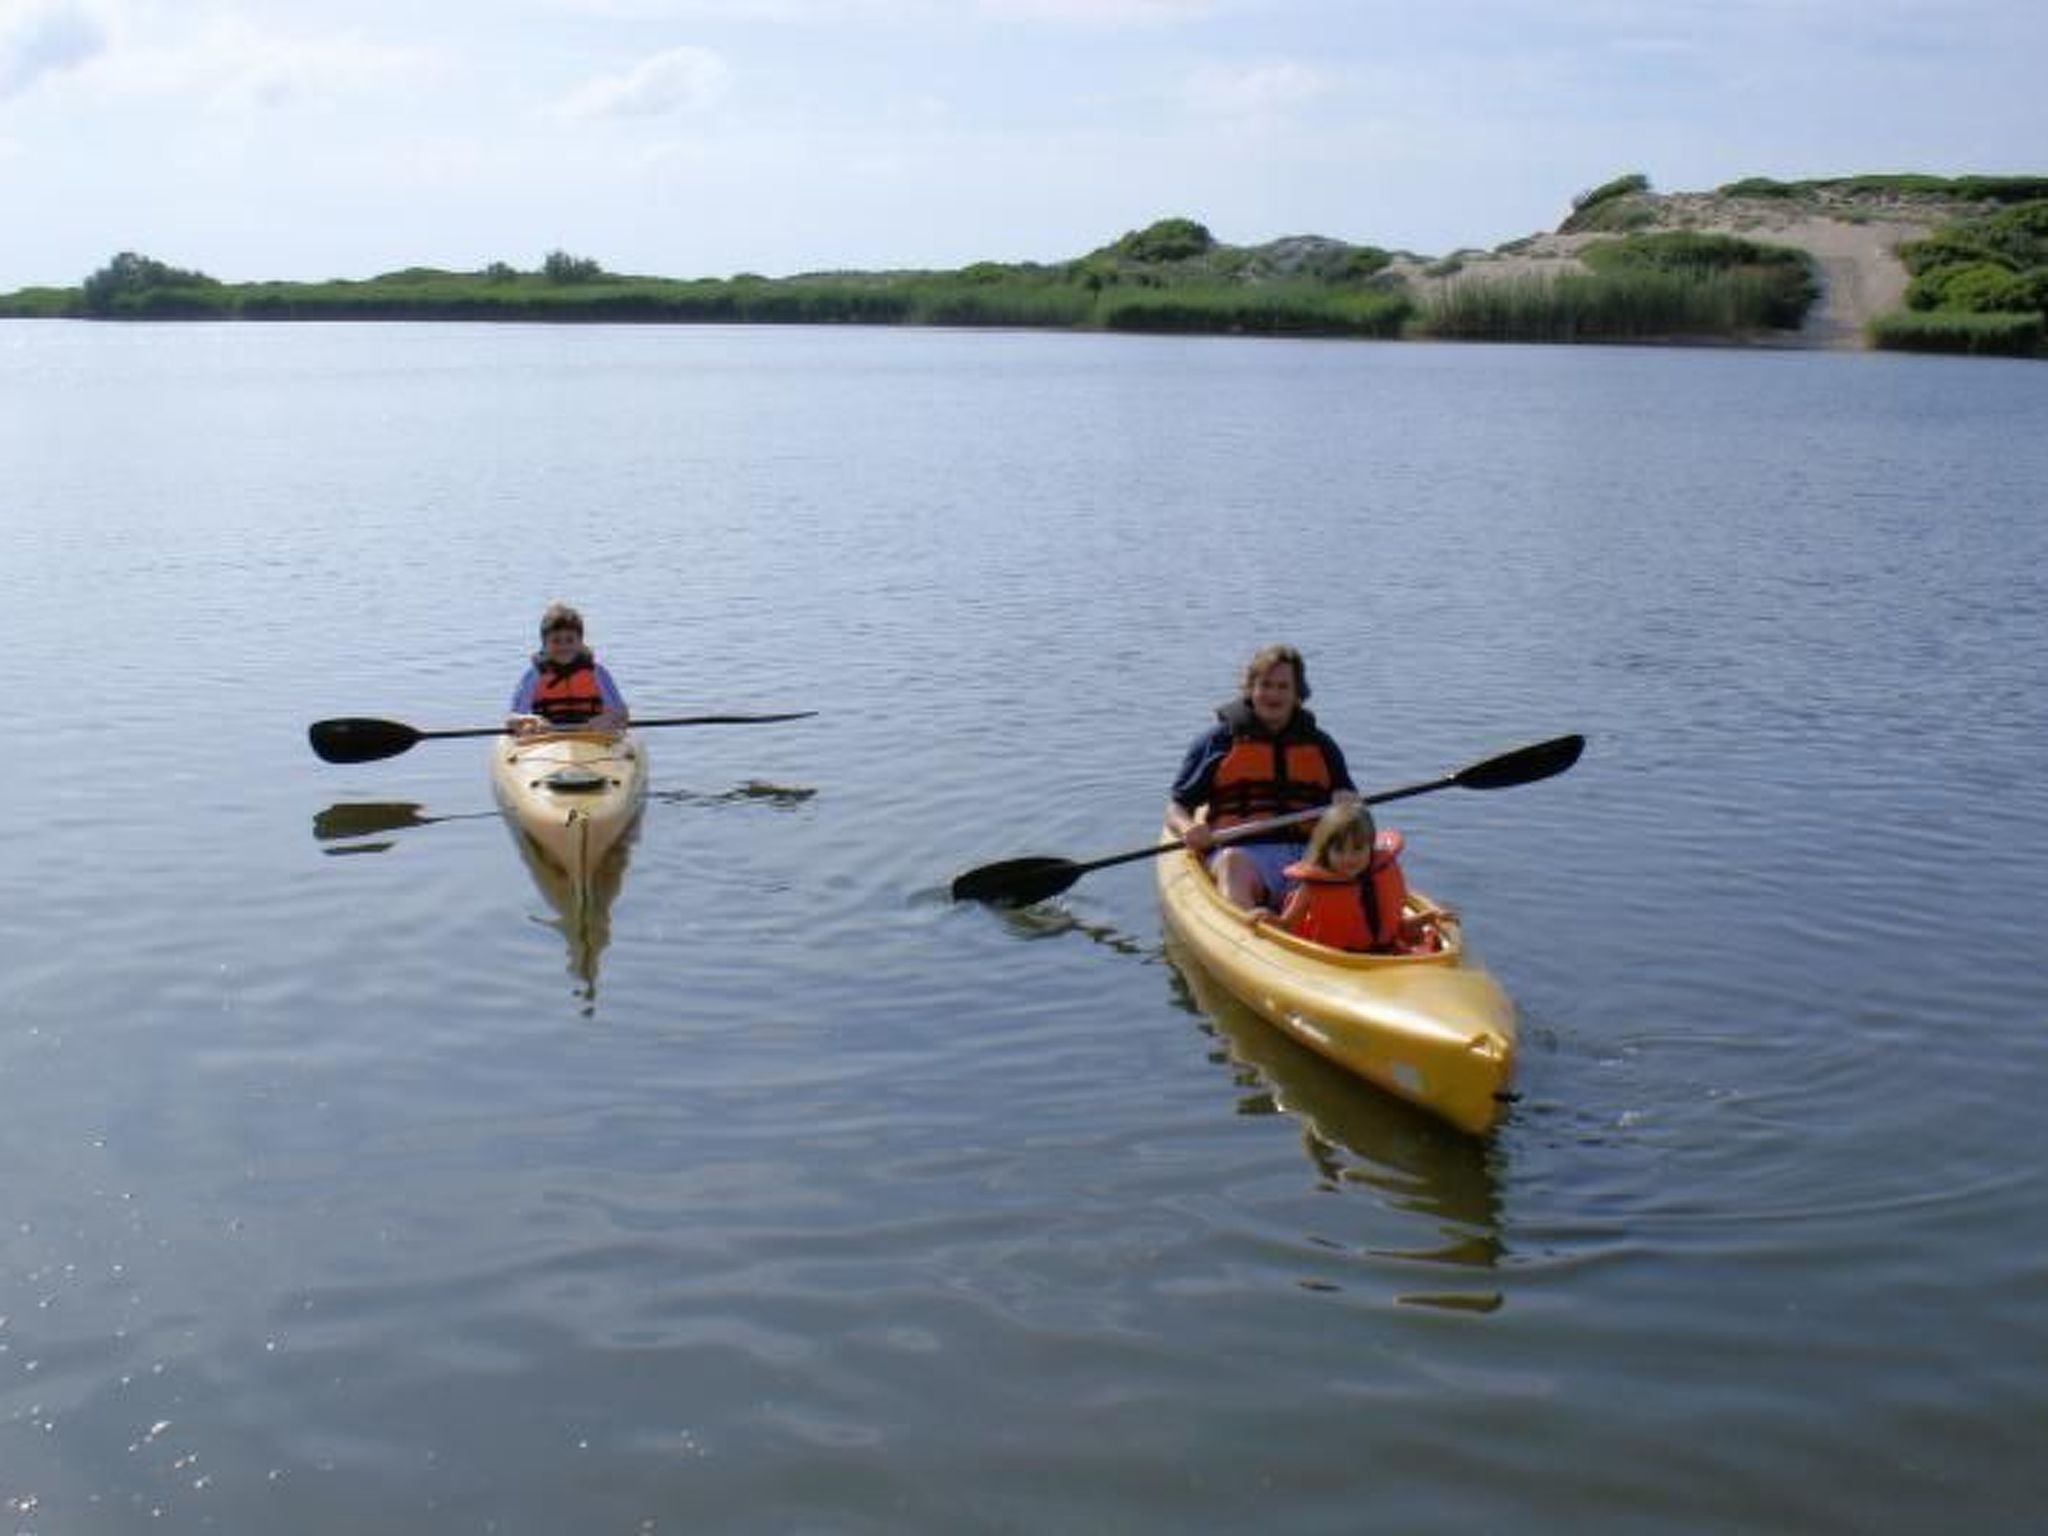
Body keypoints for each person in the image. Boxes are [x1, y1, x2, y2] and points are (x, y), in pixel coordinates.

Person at [1166, 644, 1357, 912]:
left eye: (1283, 687)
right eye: (1265, 685)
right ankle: (1247, 926)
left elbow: (1350, 806)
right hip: (1245, 854)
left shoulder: (1321, 745)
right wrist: (1187, 828)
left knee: (1370, 859)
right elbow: (1176, 807)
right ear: (1251, 689)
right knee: (1233, 863)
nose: (1273, 694)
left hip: (1311, 854)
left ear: (1297, 694)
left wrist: (1347, 802)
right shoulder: (1217, 742)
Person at [1275, 802, 1436, 953]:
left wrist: (1420, 920)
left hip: (1386, 954)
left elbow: (1395, 927)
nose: (1349, 857)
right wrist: (1265, 918)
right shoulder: (1311, 887)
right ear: (1326, 852)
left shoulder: (1382, 872)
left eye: (1357, 849)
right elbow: (1287, 926)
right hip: (1331, 959)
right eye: (1339, 850)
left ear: (1370, 847)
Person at [506, 602, 630, 736]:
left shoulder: (597, 673)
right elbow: (512, 719)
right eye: (556, 641)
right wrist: (529, 719)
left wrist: (609, 718)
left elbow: (622, 714)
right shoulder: (534, 675)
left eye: (570, 640)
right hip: (546, 741)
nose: (563, 647)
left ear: (581, 642)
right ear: (544, 644)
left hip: (594, 739)